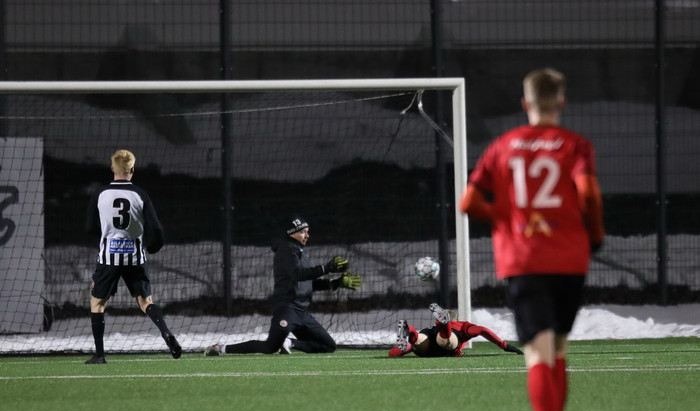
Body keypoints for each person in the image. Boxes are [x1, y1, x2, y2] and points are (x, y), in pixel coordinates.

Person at [460, 68, 605, 411]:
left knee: (537, 353)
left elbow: (468, 202)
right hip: (568, 259)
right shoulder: (575, 145)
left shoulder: (503, 146)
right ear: (561, 101)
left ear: (525, 104)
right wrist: (595, 234)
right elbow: (588, 193)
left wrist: (505, 216)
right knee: (558, 349)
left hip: (523, 259)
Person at [204, 214, 361, 356]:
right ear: (291, 233)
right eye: (303, 232)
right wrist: (326, 269)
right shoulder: (287, 249)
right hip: (288, 309)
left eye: (307, 231)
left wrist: (335, 283)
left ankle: (290, 342)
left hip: (302, 313)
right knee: (270, 347)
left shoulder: (299, 251)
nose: (307, 235)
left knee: (328, 346)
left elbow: (306, 282)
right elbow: (298, 274)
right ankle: (221, 348)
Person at [84, 149, 182, 364]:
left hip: (109, 257)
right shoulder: (140, 194)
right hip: (135, 257)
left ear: (112, 168)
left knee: (97, 303)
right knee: (145, 301)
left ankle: (99, 355)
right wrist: (153, 247)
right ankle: (166, 332)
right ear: (132, 170)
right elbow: (157, 229)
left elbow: (89, 227)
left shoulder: (100, 194)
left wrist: (106, 238)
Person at [389, 303, 523, 357]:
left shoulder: (430, 330)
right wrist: (504, 345)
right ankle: (444, 325)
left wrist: (398, 352)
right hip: (445, 341)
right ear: (456, 320)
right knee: (447, 340)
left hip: (428, 341)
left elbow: (394, 353)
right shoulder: (463, 325)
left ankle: (409, 329)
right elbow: (482, 330)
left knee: (416, 340)